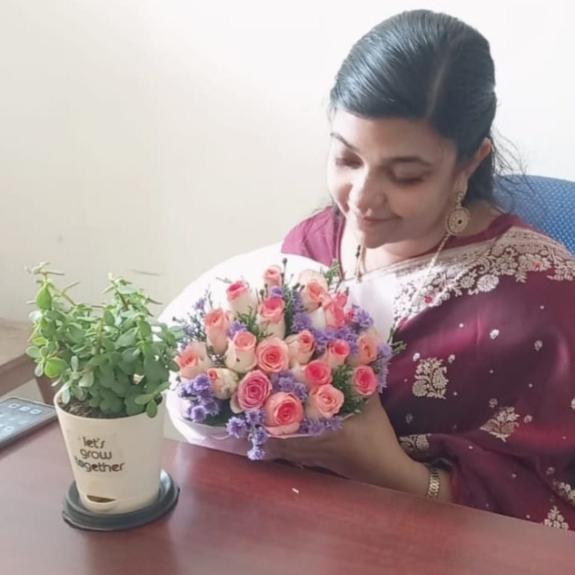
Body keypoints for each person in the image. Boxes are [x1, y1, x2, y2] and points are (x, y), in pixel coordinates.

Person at [275, 9, 575, 529]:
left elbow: (553, 509)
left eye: (405, 176)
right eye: (347, 160)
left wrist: (388, 470)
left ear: (469, 162)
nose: (362, 199)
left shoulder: (544, 301)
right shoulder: (311, 247)